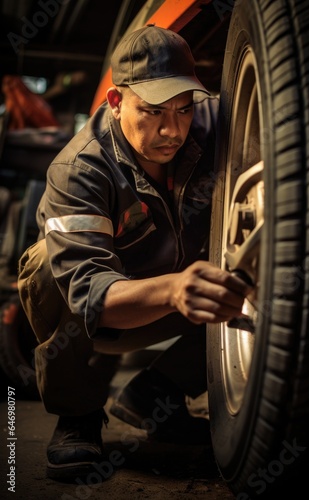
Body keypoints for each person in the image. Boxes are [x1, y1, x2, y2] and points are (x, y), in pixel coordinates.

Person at [17, 25, 251, 481]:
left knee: (267, 263)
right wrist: (173, 288)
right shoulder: (78, 169)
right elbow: (87, 293)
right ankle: (78, 414)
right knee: (47, 264)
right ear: (116, 102)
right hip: (103, 317)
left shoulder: (216, 119)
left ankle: (157, 392)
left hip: (176, 295)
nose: (172, 129)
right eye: (153, 111)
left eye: (183, 110)